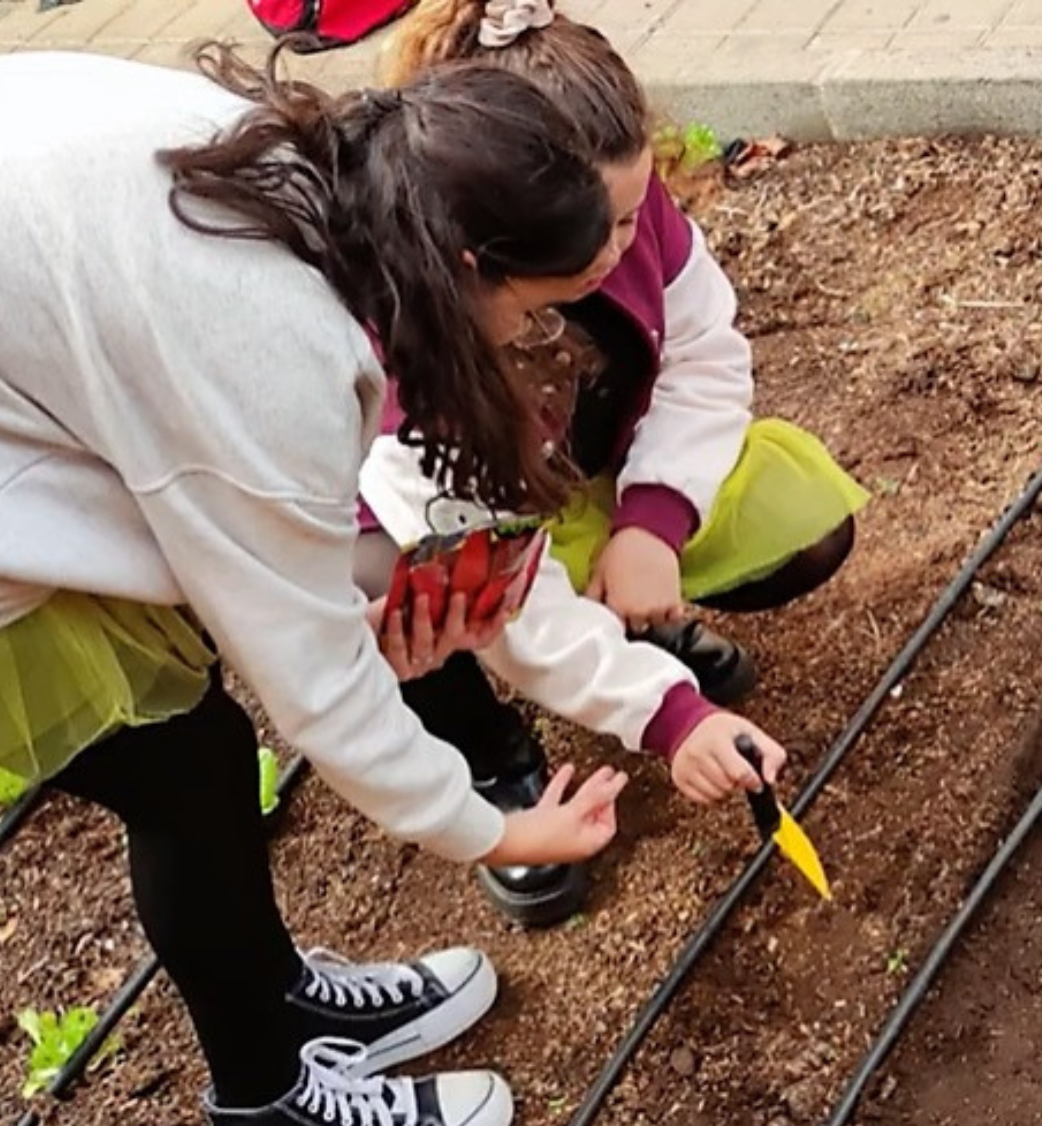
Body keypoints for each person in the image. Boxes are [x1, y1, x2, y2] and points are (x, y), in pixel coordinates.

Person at [0, 43, 634, 1126]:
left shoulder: (309, 164)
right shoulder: (264, 339)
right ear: (468, 263)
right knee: (175, 768)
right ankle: (270, 1096)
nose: (525, 336)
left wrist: (349, 610)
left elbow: (230, 535)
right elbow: (314, 685)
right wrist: (494, 831)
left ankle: (276, 1008)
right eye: (529, 306)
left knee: (188, 757)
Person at [353, 0, 870, 927]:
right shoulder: (406, 361)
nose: (616, 250)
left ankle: (636, 622)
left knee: (805, 529)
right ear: (483, 246)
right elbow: (508, 594)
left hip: (575, 482)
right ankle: (493, 762)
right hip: (450, 526)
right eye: (599, 231)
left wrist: (653, 522)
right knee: (387, 592)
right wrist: (669, 718)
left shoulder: (625, 214)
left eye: (633, 218)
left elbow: (705, 354)